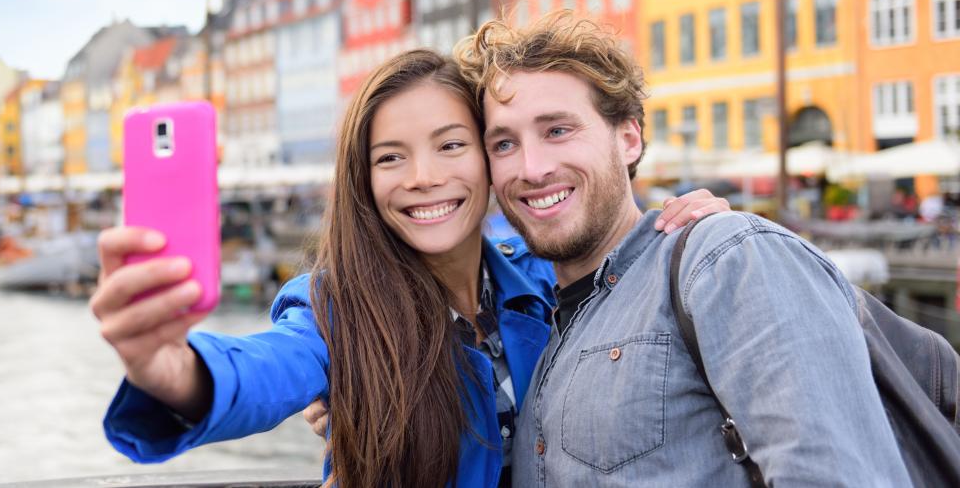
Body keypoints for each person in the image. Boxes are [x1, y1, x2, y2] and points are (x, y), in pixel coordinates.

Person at [91, 49, 727, 487]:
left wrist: (681, 233)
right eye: (390, 158)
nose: (424, 178)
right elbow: (268, 369)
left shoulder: (543, 282)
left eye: (451, 145)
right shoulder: (335, 309)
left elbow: (626, 279)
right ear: (363, 182)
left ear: (488, 155)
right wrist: (176, 373)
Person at [454, 12, 912, 487]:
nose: (531, 167)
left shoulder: (726, 258)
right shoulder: (542, 318)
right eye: (504, 144)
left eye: (557, 131)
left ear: (628, 138)